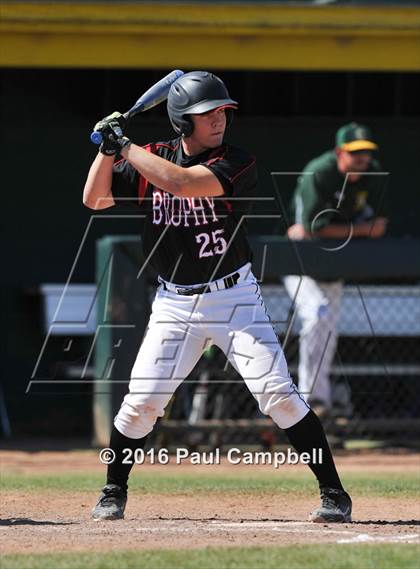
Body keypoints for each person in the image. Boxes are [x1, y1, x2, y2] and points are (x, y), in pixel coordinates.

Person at [83, 71, 352, 523]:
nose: (220, 119)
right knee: (142, 402)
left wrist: (125, 146)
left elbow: (184, 183)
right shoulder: (151, 157)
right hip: (172, 304)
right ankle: (113, 490)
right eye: (208, 114)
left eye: (223, 111)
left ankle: (334, 493)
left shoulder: (237, 162)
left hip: (234, 299)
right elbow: (95, 198)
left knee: (278, 396)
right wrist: (107, 149)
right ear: (182, 121)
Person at [284, 123, 387, 420]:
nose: (362, 160)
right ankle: (308, 399)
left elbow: (380, 225)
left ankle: (321, 401)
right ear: (340, 152)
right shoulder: (321, 171)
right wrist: (362, 230)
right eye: (355, 154)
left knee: (328, 327)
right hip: (297, 260)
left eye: (365, 153)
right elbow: (310, 231)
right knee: (317, 313)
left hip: (334, 263)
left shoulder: (372, 174)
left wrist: (342, 231)